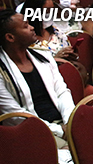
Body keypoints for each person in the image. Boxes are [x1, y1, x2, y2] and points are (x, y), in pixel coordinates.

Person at [0, 10, 75, 147]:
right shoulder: (2, 71)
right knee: (71, 151)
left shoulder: (43, 55)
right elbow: (14, 114)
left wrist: (70, 122)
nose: (32, 27)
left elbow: (62, 91)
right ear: (10, 37)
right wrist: (59, 131)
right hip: (29, 131)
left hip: (62, 121)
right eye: (26, 26)